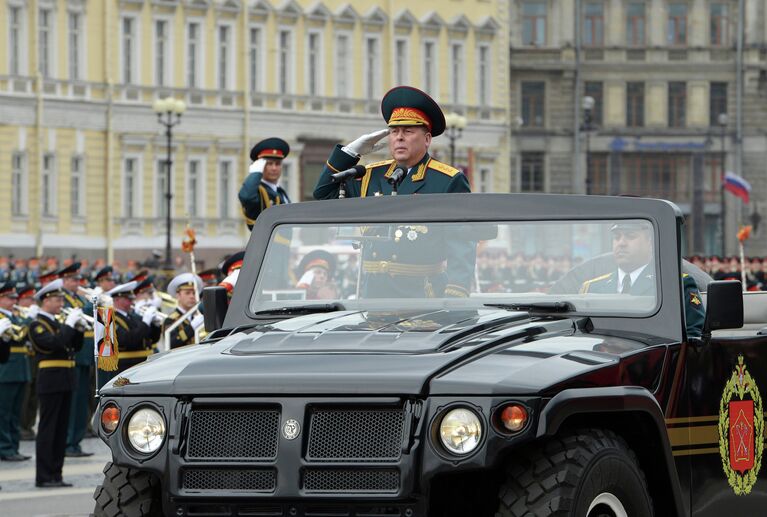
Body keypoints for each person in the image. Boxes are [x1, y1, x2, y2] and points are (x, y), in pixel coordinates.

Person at [313, 86, 475, 298]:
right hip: (373, 296)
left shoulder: (447, 180)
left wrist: (455, 294)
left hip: (422, 296)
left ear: (426, 139)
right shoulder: (370, 176)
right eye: (394, 131)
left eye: (408, 131)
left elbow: (461, 244)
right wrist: (349, 153)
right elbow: (323, 195)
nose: (399, 138)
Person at [580, 222, 705, 337]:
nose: (621, 243)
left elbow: (694, 337)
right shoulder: (592, 288)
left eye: (630, 236)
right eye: (616, 237)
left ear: (650, 242)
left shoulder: (675, 285)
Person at [28, 279, 85, 488]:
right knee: (48, 429)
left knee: (61, 430)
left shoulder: (59, 324)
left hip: (66, 378)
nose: (61, 302)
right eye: (57, 299)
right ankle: (43, 476)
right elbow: (53, 344)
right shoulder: (37, 325)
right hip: (50, 379)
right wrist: (69, 325)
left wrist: (78, 329)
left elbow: (74, 346)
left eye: (61, 298)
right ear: (45, 301)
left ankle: (56, 474)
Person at [56, 262, 94, 458]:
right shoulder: (62, 300)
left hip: (85, 356)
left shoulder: (78, 298)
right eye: (72, 279)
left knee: (81, 404)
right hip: (74, 356)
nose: (76, 283)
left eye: (77, 279)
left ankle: (76, 442)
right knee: (72, 404)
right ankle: (68, 442)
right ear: (63, 280)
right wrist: (90, 304)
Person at [0, 281, 30, 462]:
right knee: (4, 412)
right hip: (6, 370)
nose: (13, 301)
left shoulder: (17, 317)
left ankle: (14, 447)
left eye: (14, 298)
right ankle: (5, 448)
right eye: (9, 298)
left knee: (15, 412)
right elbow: (18, 336)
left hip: (21, 369)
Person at [106, 282, 161, 374]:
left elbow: (152, 339)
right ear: (117, 299)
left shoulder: (133, 317)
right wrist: (146, 322)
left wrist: (156, 326)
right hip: (125, 367)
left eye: (132, 299)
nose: (132, 302)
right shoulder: (110, 320)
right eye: (128, 299)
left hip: (142, 363)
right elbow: (128, 340)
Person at [238, 138, 291, 230]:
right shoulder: (258, 191)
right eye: (269, 164)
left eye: (277, 164)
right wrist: (255, 173)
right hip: (265, 243)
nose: (274, 168)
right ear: (260, 167)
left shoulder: (280, 192)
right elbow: (246, 196)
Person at [161, 273, 203, 349]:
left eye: (194, 293)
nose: (192, 296)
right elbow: (171, 342)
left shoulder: (198, 317)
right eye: (187, 293)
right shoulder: (170, 320)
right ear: (178, 296)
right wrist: (192, 326)